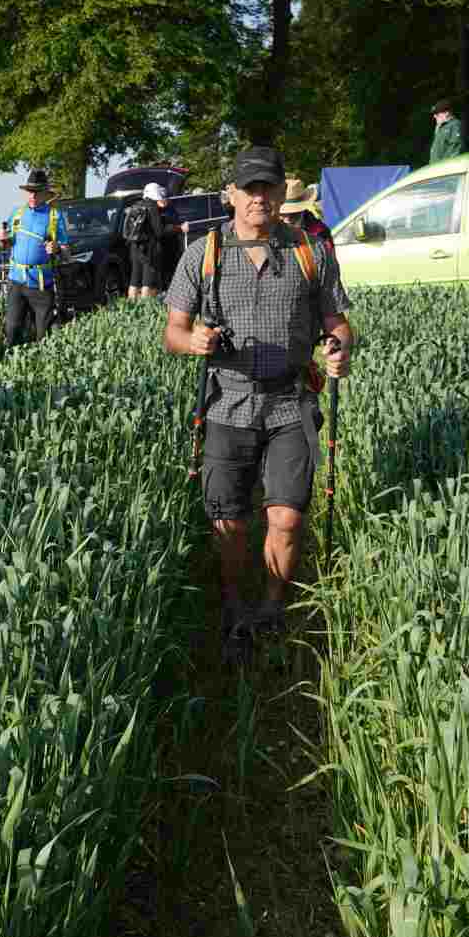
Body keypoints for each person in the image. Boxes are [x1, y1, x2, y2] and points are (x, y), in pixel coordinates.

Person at [162, 146, 355, 665]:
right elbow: (172, 331)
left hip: (292, 402)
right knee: (229, 523)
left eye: (267, 187)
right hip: (226, 402)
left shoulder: (310, 252)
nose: (258, 197)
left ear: (280, 193)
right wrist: (193, 341)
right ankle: (234, 607)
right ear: (231, 194)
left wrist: (339, 348)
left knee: (286, 519)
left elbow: (337, 322)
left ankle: (271, 609)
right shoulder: (203, 253)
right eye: (249, 188)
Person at [0, 167, 63, 349]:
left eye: (37, 191)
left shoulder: (54, 217)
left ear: (46, 193)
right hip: (16, 282)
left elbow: (66, 251)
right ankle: (12, 362)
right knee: (12, 331)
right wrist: (3, 241)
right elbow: (6, 245)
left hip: (41, 285)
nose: (32, 195)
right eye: (29, 191)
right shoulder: (16, 214)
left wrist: (57, 248)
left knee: (44, 336)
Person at [123, 181, 165, 300]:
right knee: (148, 280)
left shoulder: (137, 205)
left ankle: (131, 305)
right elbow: (159, 231)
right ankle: (145, 306)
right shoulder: (152, 207)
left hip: (134, 246)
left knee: (134, 278)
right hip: (148, 249)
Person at [279, 175, 336, 256]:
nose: (287, 219)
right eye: (282, 214)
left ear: (302, 210)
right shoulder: (267, 231)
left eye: (293, 214)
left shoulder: (320, 232)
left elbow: (330, 260)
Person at [430, 99, 465, 165]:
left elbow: (455, 150)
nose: (434, 116)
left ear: (446, 113)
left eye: (437, 113)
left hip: (445, 167)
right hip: (435, 167)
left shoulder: (455, 125)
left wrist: (443, 166)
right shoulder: (440, 127)